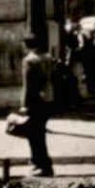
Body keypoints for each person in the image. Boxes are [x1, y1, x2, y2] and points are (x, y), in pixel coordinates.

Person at [21, 35, 56, 177]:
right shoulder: (48, 58)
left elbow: (28, 85)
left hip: (35, 101)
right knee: (39, 133)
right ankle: (44, 164)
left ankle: (41, 165)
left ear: (27, 45)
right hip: (49, 98)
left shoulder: (29, 60)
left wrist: (24, 105)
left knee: (34, 135)